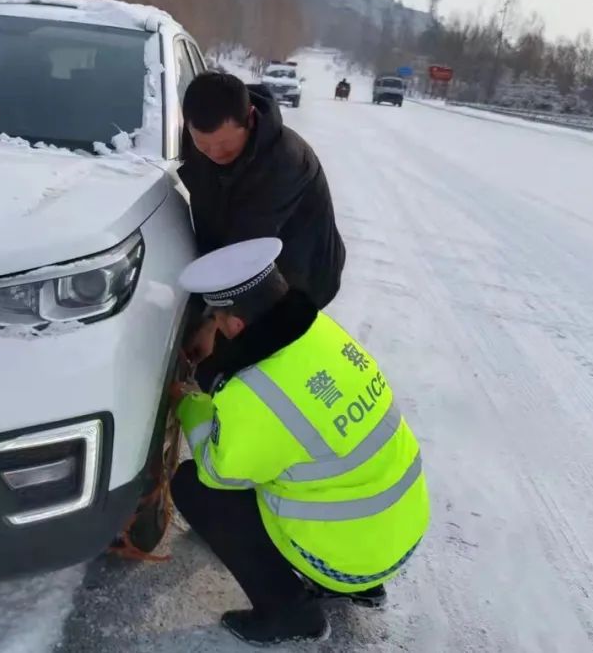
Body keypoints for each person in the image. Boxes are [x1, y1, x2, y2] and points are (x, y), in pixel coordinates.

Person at [170, 238, 429, 645]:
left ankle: (287, 612)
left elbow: (220, 472)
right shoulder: (323, 333)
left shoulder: (255, 394)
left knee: (193, 484)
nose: (217, 329)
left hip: (346, 553)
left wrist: (190, 404)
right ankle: (358, 586)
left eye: (217, 320)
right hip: (400, 532)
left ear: (235, 325)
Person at [178, 72, 345, 390]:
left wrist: (211, 322)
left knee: (261, 368)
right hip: (252, 266)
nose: (214, 154)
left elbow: (241, 256)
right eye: (203, 145)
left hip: (300, 277)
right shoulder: (199, 141)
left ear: (251, 120)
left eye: (225, 147)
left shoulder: (283, 162)